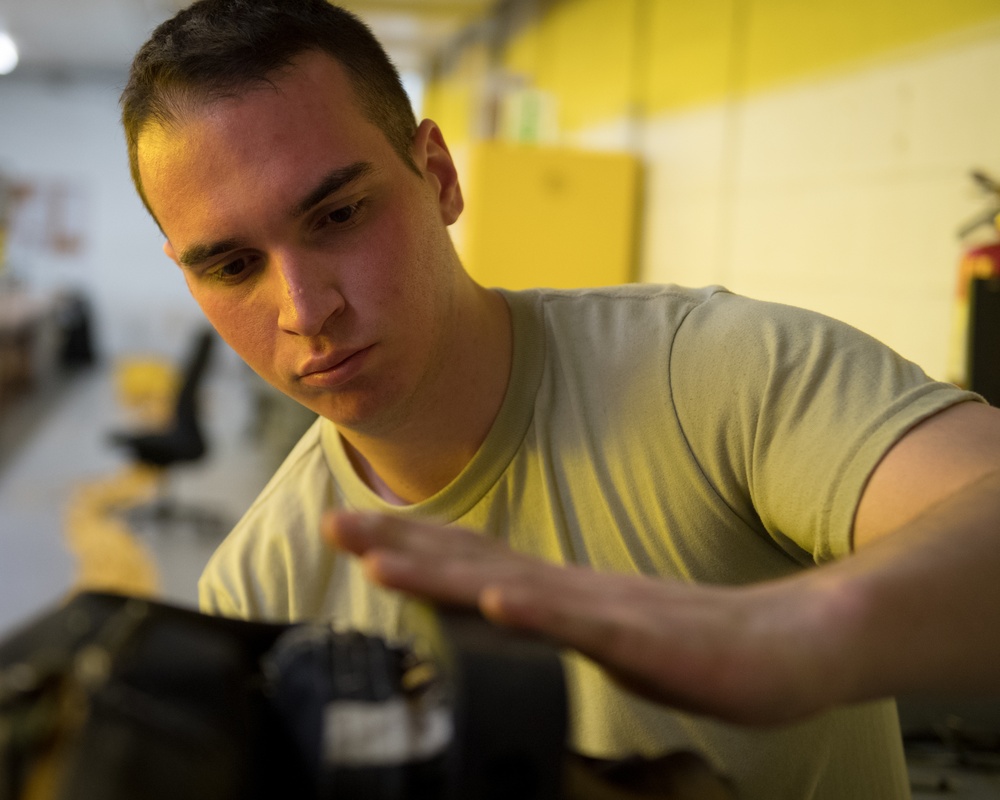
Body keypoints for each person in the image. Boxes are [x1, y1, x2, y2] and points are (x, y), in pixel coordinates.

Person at [121, 1, 1000, 796]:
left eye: (340, 215)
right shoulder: (256, 583)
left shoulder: (712, 375)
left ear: (438, 175)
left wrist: (793, 634)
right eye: (233, 266)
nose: (306, 310)